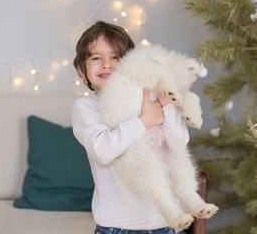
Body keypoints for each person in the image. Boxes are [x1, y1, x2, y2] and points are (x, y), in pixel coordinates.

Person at [72, 20, 190, 234]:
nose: (107, 64)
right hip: (117, 226)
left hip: (163, 223)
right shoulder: (87, 107)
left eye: (116, 57)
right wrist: (145, 120)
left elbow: (180, 142)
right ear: (82, 70)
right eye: (96, 58)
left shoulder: (150, 98)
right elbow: (103, 150)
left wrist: (165, 103)